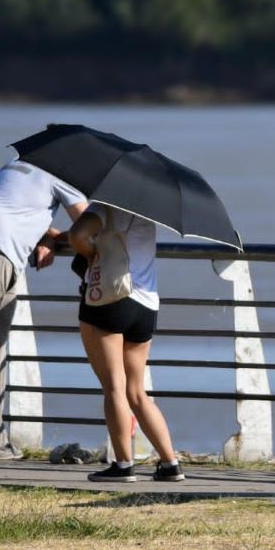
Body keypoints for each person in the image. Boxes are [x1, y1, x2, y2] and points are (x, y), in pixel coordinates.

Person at [0, 159, 87, 461]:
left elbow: (15, 211)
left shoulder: (17, 165)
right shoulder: (63, 173)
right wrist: (60, 238)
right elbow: (89, 229)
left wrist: (45, 234)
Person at [69, 204, 184, 483]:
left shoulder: (104, 207)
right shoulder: (147, 213)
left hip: (111, 298)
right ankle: (170, 463)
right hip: (146, 305)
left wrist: (90, 254)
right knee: (136, 392)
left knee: (114, 389)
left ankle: (122, 465)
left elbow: (77, 234)